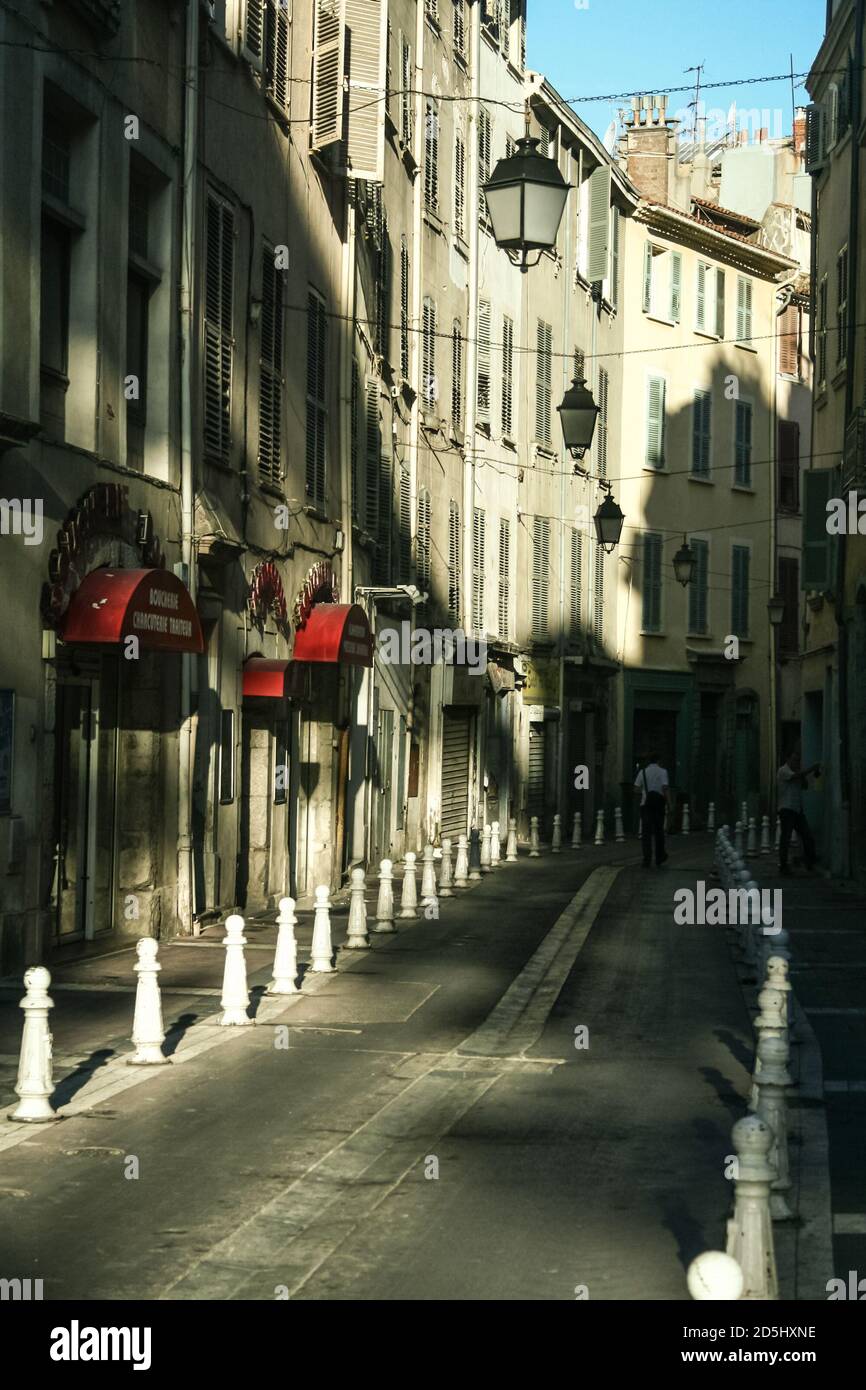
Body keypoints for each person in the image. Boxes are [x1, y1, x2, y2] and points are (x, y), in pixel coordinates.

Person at [776, 750, 819, 875]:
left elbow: (804, 786)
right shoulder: (783, 771)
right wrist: (811, 769)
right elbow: (795, 777)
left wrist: (803, 775)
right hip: (786, 809)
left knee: (807, 835)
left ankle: (810, 860)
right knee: (786, 838)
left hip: (797, 810)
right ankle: (783, 866)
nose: (796, 763)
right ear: (788, 759)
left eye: (797, 761)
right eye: (794, 760)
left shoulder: (796, 773)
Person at [634, 752, 671, 868]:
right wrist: (670, 804)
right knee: (659, 831)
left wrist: (645, 793)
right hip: (659, 805)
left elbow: (636, 789)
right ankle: (659, 856)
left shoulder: (642, 772)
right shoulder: (663, 772)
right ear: (658, 760)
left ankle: (647, 859)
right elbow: (665, 788)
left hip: (646, 805)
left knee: (646, 833)